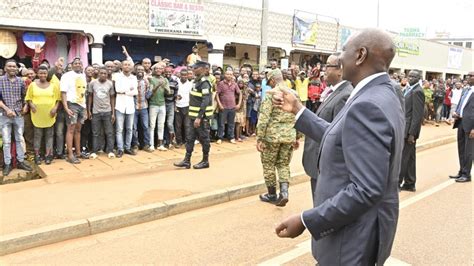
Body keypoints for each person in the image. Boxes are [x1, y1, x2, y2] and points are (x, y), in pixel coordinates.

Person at [273, 29, 404, 265]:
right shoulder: (381, 93)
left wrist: (306, 220)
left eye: (344, 50)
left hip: (351, 241)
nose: (340, 57)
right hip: (356, 235)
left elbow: (365, 189)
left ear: (361, 55)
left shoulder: (368, 104)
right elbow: (342, 139)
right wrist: (298, 110)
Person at [303, 53, 353, 201]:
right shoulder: (334, 91)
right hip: (319, 164)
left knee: (322, 213)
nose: (324, 70)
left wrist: (300, 113)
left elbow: (336, 136)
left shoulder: (345, 95)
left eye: (328, 66)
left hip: (325, 167)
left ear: (340, 70)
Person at [256, 69, 301, 207]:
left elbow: (264, 118)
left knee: (269, 165)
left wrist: (260, 138)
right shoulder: (294, 94)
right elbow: (299, 115)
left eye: (269, 82)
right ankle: (284, 193)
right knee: (283, 164)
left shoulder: (272, 95)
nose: (269, 85)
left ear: (273, 80)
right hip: (289, 136)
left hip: (272, 137)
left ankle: (271, 194)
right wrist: (297, 136)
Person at [174, 61, 213, 169]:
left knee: (204, 139)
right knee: (190, 138)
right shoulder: (196, 81)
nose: (193, 69)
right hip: (192, 116)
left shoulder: (204, 83)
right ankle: (187, 160)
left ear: (203, 69)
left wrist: (199, 117)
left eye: (196, 68)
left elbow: (205, 101)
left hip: (201, 118)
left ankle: (205, 161)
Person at [0, 59, 33, 176]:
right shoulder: (0, 81)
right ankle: (8, 164)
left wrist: (25, 106)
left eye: (14, 66)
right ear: (5, 68)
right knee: (6, 141)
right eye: (10, 66)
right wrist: (7, 109)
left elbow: (25, 96)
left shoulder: (20, 81)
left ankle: (20, 161)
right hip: (5, 115)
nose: (12, 68)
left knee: (19, 139)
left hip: (18, 115)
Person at [25, 65, 61, 165]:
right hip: (37, 114)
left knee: (49, 135)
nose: (42, 75)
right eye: (41, 73)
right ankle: (37, 155)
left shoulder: (53, 85)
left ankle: (48, 155)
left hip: (50, 114)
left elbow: (58, 99)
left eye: (44, 73)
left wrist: (55, 108)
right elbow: (28, 98)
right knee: (37, 135)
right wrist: (31, 105)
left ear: (47, 74)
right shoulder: (32, 85)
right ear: (37, 74)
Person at [399, 70, 425, 192]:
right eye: (409, 75)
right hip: (405, 128)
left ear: (419, 78)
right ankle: (410, 183)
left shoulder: (418, 91)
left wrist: (412, 134)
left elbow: (417, 115)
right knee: (410, 158)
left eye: (414, 76)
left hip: (409, 131)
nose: (410, 78)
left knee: (403, 158)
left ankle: (397, 183)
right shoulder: (409, 89)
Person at [60, 58, 88, 164]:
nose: (78, 65)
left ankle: (78, 152)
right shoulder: (66, 76)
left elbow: (83, 93)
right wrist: (66, 107)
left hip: (81, 105)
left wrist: (85, 108)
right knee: (71, 129)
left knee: (78, 129)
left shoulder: (83, 76)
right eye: (75, 63)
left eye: (80, 63)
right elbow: (63, 92)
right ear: (71, 65)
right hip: (72, 105)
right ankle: (70, 155)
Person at [449, 71, 473, 183]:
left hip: (471, 125)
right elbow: (461, 104)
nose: (469, 77)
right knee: (461, 148)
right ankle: (461, 171)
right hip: (461, 122)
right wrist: (457, 113)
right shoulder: (466, 89)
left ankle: (466, 174)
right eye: (468, 76)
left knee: (469, 151)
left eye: (472, 76)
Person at [87, 67, 116, 159]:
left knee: (109, 132)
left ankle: (110, 151)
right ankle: (95, 151)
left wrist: (113, 112)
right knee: (95, 133)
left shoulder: (110, 84)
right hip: (96, 112)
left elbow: (112, 98)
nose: (103, 75)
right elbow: (90, 97)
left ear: (107, 75)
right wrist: (89, 110)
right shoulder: (93, 83)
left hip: (107, 111)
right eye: (101, 73)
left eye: (105, 74)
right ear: (98, 74)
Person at [114, 60, 138, 157]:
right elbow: (118, 90)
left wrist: (125, 91)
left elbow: (135, 92)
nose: (127, 66)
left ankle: (127, 147)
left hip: (130, 106)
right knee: (119, 129)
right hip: (120, 106)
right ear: (122, 66)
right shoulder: (117, 76)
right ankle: (120, 149)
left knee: (129, 129)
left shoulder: (134, 78)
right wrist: (129, 90)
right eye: (125, 64)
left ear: (131, 67)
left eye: (129, 65)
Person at [215, 70, 242, 144]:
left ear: (232, 75)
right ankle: (220, 137)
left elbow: (240, 94)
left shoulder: (235, 84)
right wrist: (219, 104)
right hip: (223, 107)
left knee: (231, 123)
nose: (229, 75)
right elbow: (217, 94)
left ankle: (231, 137)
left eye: (230, 74)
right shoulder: (221, 84)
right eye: (227, 74)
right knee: (221, 123)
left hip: (232, 107)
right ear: (225, 75)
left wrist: (239, 104)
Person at [148, 64, 170, 151]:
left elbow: (168, 92)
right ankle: (151, 145)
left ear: (162, 70)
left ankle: (160, 145)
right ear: (154, 70)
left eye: (160, 69)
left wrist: (164, 86)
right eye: (156, 69)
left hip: (162, 104)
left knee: (161, 125)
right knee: (152, 125)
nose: (158, 70)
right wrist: (157, 86)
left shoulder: (165, 80)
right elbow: (150, 94)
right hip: (153, 105)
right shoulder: (151, 80)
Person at [131, 64, 152, 152]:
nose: (140, 71)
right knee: (134, 127)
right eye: (138, 69)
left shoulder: (146, 81)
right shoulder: (132, 80)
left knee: (145, 127)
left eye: (142, 70)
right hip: (133, 107)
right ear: (135, 70)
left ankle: (146, 145)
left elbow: (148, 95)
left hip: (144, 107)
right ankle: (135, 145)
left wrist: (151, 90)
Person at [175, 69, 193, 148]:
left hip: (187, 106)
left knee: (187, 126)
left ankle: (187, 142)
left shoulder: (190, 84)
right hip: (177, 106)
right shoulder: (177, 83)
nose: (184, 76)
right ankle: (179, 142)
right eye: (182, 75)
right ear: (180, 75)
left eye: (185, 75)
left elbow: (192, 96)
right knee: (178, 126)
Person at [164, 66, 178, 147]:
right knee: (163, 123)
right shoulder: (162, 80)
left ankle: (172, 139)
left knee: (169, 123)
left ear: (172, 72)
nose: (168, 73)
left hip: (171, 104)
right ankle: (166, 141)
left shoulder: (175, 81)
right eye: (166, 72)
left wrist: (175, 105)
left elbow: (176, 94)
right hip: (162, 104)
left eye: (169, 72)